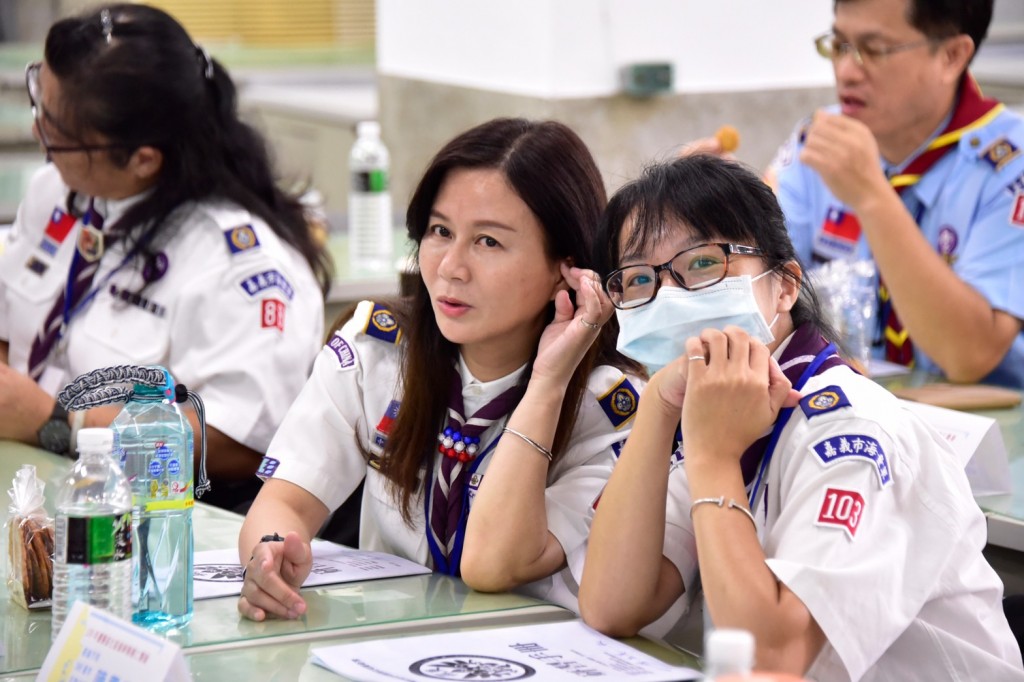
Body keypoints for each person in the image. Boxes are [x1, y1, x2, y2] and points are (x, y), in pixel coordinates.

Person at [579, 155, 1024, 680]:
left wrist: (713, 456)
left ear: (786, 284)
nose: (669, 297)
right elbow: (613, 605)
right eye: (638, 279)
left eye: (703, 263)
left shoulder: (848, 428)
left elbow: (773, 658)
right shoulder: (713, 409)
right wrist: (658, 406)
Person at [236, 117, 645, 621]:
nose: (451, 266)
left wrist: (548, 382)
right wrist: (270, 555)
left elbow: (495, 566)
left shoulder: (609, 411)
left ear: (567, 267)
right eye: (440, 231)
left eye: (488, 242)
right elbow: (288, 503)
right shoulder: (378, 350)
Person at [0, 4, 332, 510]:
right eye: (38, 104)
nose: (39, 135)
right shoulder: (60, 190)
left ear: (142, 159)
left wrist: (58, 424)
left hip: (150, 521)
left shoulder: (240, 265)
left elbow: (238, 441)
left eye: (57, 134)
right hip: (30, 487)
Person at [767, 0, 1024, 386]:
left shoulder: (1009, 167)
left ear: (952, 56)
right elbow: (769, 292)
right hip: (848, 413)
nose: (847, 71)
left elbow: (969, 356)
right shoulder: (819, 140)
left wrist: (872, 198)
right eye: (838, 45)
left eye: (874, 50)